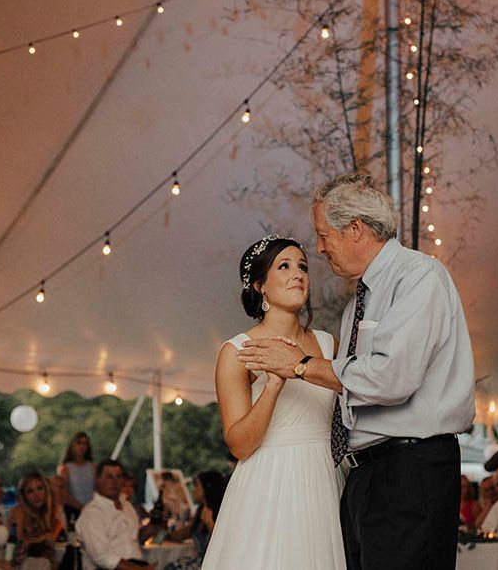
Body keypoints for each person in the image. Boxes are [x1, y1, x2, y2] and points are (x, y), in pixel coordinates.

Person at [238, 174, 475, 570]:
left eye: (323, 234)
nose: (319, 248)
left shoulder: (418, 277)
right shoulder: (357, 303)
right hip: (365, 476)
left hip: (410, 470)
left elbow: (390, 378)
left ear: (355, 229)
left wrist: (299, 366)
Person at [202, 235, 346, 569]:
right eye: (284, 266)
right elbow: (239, 445)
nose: (298, 274)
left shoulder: (328, 345)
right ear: (260, 285)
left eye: (303, 267)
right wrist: (274, 385)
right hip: (268, 485)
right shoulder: (237, 351)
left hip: (324, 480)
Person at [75, 459, 160, 570]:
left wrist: (155, 524)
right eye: (109, 477)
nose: (114, 482)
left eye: (118, 477)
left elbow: (135, 539)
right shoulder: (92, 513)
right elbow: (102, 557)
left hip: (136, 563)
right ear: (98, 480)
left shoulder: (127, 506)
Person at [165, 471, 227, 570]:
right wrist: (164, 534)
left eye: (197, 485)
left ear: (207, 488)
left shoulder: (221, 511)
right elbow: (185, 532)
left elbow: (223, 544)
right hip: (201, 560)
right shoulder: (201, 511)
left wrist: (209, 522)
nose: (193, 490)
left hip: (213, 563)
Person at [7, 472, 65, 568]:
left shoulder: (50, 511)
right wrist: (40, 539)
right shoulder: (19, 511)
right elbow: (18, 544)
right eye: (30, 491)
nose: (36, 495)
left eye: (39, 488)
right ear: (24, 496)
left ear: (46, 490)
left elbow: (55, 542)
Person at [57, 432, 95, 521]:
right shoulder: (65, 469)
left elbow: (97, 489)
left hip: (93, 509)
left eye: (85, 443)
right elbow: (64, 494)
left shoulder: (93, 467)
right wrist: (81, 507)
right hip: (73, 511)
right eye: (79, 443)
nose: (82, 446)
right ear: (72, 445)